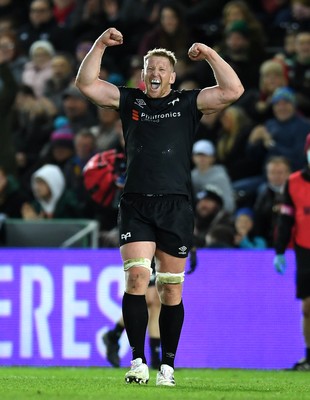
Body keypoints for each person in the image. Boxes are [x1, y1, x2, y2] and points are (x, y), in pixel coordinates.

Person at [75, 27, 244, 386]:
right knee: (136, 278)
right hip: (136, 202)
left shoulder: (187, 103)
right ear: (142, 75)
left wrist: (211, 55)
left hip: (176, 205)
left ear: (173, 76)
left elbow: (233, 91)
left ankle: (167, 365)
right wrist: (100, 45)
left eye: (162, 69)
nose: (155, 73)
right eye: (149, 68)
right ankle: (137, 362)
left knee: (170, 289)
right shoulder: (130, 101)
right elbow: (87, 84)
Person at [273, 132, 310, 371]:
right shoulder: (294, 182)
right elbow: (286, 220)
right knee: (307, 308)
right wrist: (279, 251)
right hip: (305, 249)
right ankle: (309, 357)